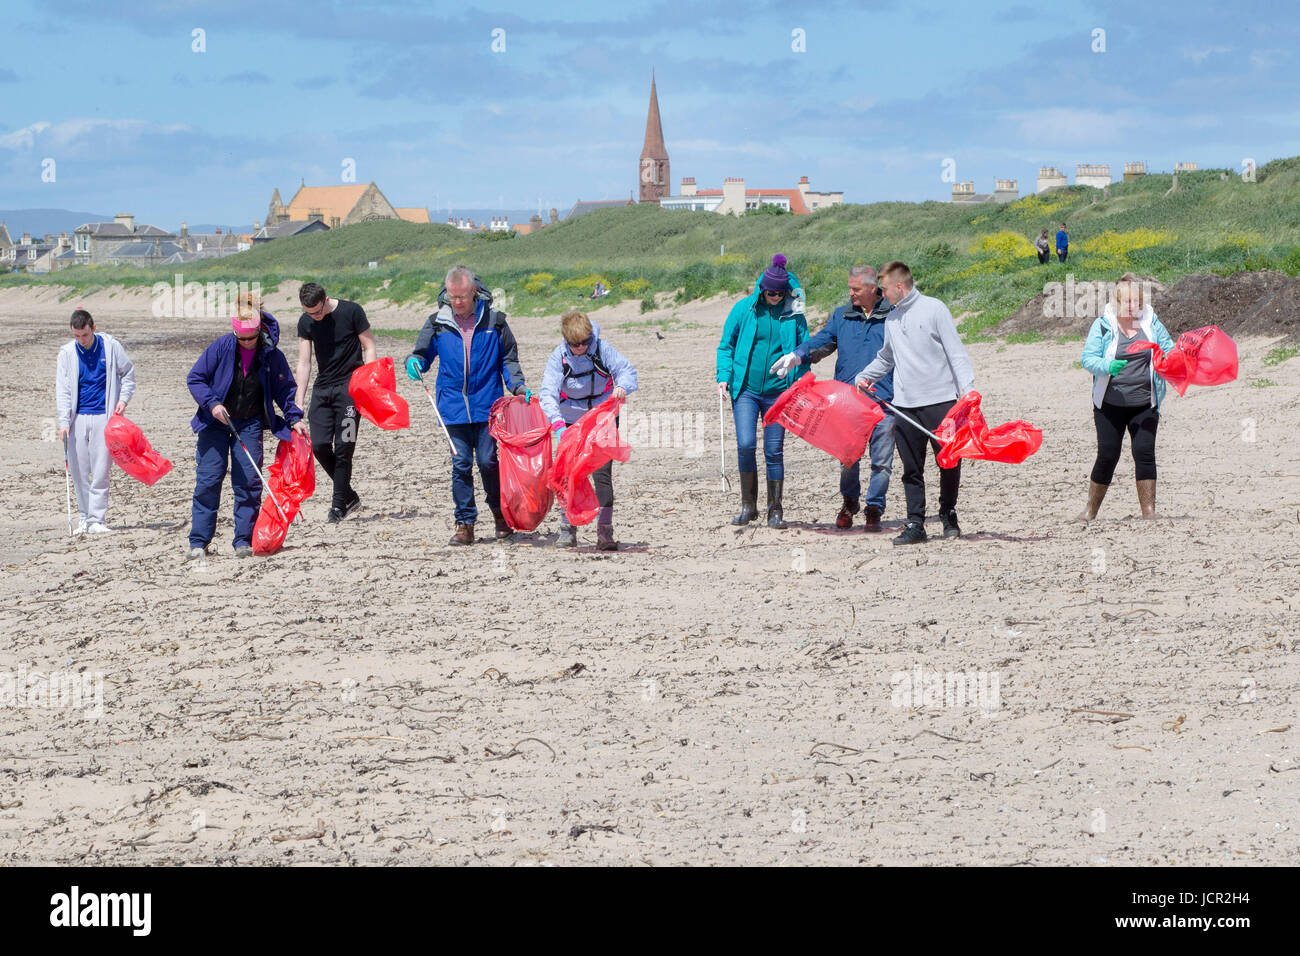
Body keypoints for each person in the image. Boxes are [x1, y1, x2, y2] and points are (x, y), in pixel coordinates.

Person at [405, 266, 528, 545]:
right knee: (461, 464)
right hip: (451, 408)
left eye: (461, 296)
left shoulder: (495, 322)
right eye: (452, 296)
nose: (456, 302)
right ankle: (465, 524)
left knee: (488, 461)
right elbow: (421, 354)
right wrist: (414, 363)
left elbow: (508, 359)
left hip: (488, 406)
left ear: (474, 291)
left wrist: (518, 386)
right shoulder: (437, 322)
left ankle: (499, 515)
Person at [855, 261, 974, 545]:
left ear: (899, 286)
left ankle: (948, 512)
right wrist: (863, 376)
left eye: (884, 289)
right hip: (905, 405)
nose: (881, 295)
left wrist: (968, 391)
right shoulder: (892, 319)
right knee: (911, 468)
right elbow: (886, 357)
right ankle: (916, 523)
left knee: (949, 461)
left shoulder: (935, 309)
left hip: (941, 401)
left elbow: (956, 352)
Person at [771, 264, 895, 531]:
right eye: (849, 288)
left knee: (882, 463)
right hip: (848, 403)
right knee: (848, 460)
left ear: (873, 288)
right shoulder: (842, 316)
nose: (850, 293)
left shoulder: (894, 316)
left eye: (855, 289)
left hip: (885, 401)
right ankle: (850, 503)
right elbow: (822, 341)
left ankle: (874, 508)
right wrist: (797, 355)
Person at [187, 297, 307, 558]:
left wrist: (294, 418)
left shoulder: (272, 355)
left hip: (250, 423)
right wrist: (213, 404)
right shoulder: (221, 346)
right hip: (215, 423)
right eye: (240, 338)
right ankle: (199, 542)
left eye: (250, 338)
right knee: (208, 480)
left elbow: (285, 391)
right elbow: (195, 378)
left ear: (259, 330)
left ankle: (243, 539)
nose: (246, 343)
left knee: (249, 482)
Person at [716, 254, 809, 529]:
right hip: (745, 390)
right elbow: (726, 346)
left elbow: (805, 349)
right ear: (761, 290)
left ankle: (775, 510)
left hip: (779, 392)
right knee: (745, 445)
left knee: (774, 450)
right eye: (771, 293)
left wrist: (800, 383)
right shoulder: (743, 309)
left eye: (780, 294)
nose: (775, 297)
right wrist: (723, 376)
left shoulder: (794, 314)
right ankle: (748, 506)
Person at [1078, 274, 1174, 520]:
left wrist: (1178, 360)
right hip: (1110, 405)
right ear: (1117, 302)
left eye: (1137, 301)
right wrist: (1107, 366)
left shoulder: (1152, 324)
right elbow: (1088, 359)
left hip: (1145, 403)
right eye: (1127, 301)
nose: (1132, 306)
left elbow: (1169, 351)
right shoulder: (1102, 325)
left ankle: (1149, 512)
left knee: (1144, 452)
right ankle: (1090, 511)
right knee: (1108, 454)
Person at [539, 311, 637, 550]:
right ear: (566, 341)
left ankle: (605, 532)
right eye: (575, 344)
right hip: (569, 422)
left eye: (585, 342)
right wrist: (558, 425)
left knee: (602, 475)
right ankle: (566, 529)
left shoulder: (602, 349)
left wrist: (622, 386)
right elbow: (547, 394)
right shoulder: (558, 358)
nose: (581, 348)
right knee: (568, 474)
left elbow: (627, 371)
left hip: (601, 419)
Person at [295, 282, 377, 522]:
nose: (315, 317)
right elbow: (304, 362)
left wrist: (369, 382)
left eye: (318, 312)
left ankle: (338, 506)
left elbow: (369, 346)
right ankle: (349, 496)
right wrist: (298, 400)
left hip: (351, 390)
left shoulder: (352, 311)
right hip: (323, 389)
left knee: (344, 447)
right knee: (319, 445)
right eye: (310, 313)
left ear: (326, 299)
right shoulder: (306, 322)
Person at [55, 309, 135, 534]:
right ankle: (83, 518)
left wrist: (123, 400)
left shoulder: (111, 347)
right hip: (77, 419)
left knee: (101, 469)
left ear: (93, 328)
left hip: (104, 416)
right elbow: (63, 390)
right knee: (79, 470)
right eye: (77, 336)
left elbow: (128, 374)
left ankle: (97, 520)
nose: (81, 340)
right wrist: (63, 421)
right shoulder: (67, 353)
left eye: (85, 335)